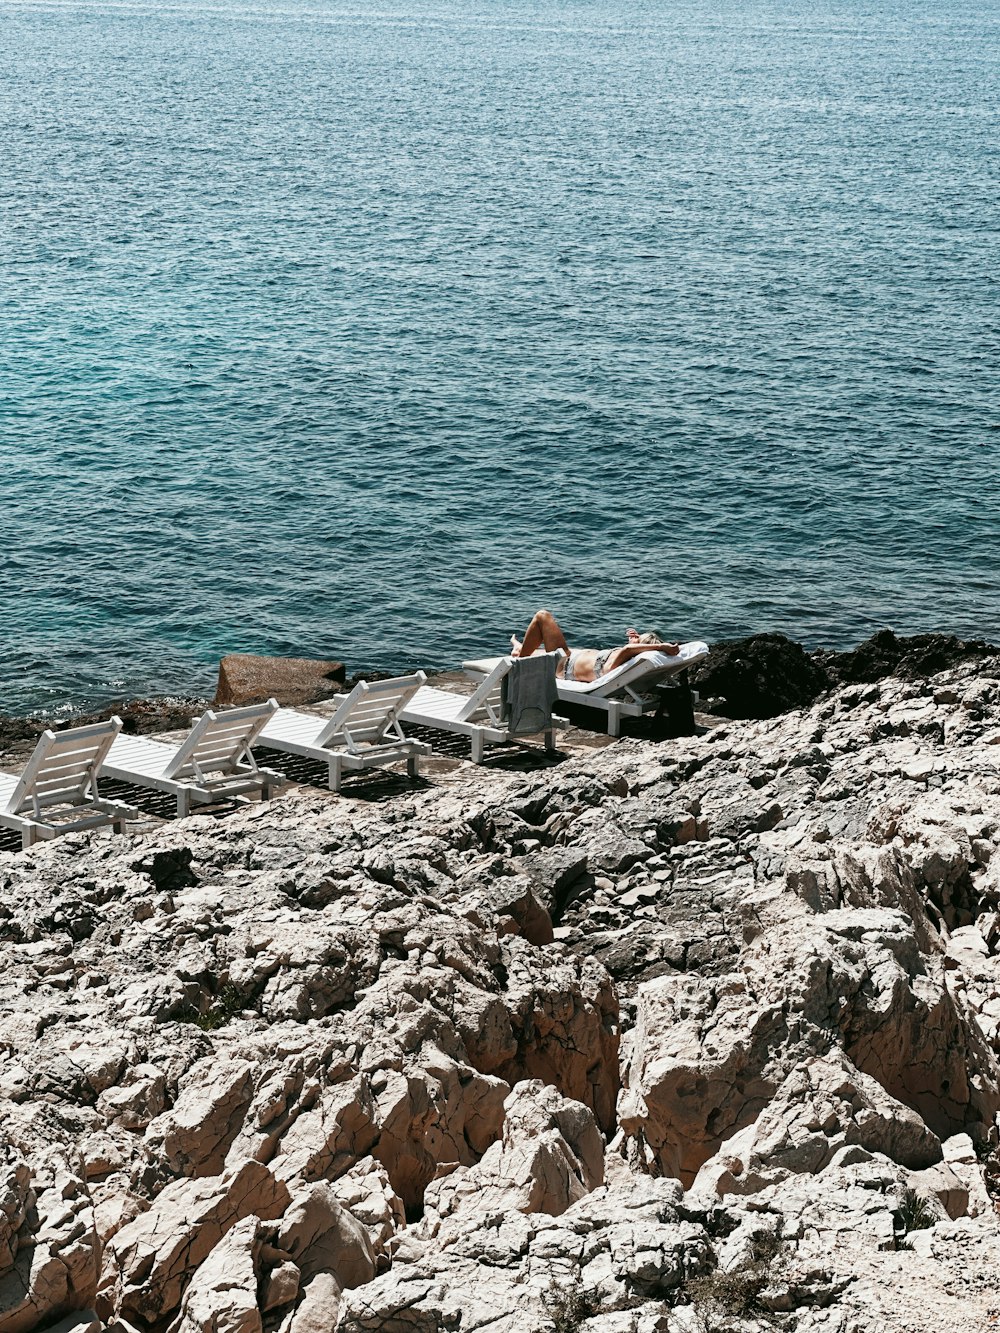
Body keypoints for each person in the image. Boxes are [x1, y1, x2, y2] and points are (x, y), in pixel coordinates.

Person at [510, 609, 680, 683]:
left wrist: (662, 646)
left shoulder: (621, 659)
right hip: (569, 658)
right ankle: (520, 650)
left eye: (638, 639)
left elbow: (628, 650)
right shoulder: (623, 659)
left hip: (564, 665)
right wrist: (637, 642)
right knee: (541, 644)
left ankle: (521, 661)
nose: (633, 639)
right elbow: (629, 649)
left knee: (542, 616)